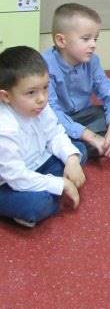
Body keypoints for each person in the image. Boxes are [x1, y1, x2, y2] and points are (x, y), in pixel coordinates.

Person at [43, 3, 110, 158]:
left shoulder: (92, 61)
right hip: (55, 120)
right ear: (61, 41)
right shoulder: (45, 66)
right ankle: (101, 144)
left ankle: (94, 144)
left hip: (84, 116)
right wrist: (90, 135)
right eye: (86, 39)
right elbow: (52, 112)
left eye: (95, 39)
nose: (93, 45)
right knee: (48, 134)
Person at [0, 46, 86, 228]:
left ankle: (51, 191)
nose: (42, 98)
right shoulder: (5, 129)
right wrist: (60, 184)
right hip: (8, 182)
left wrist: (71, 160)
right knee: (37, 204)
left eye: (45, 88)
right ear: (6, 97)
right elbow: (16, 177)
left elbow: (55, 133)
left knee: (78, 151)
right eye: (31, 92)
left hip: (37, 163)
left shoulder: (39, 106)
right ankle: (37, 204)